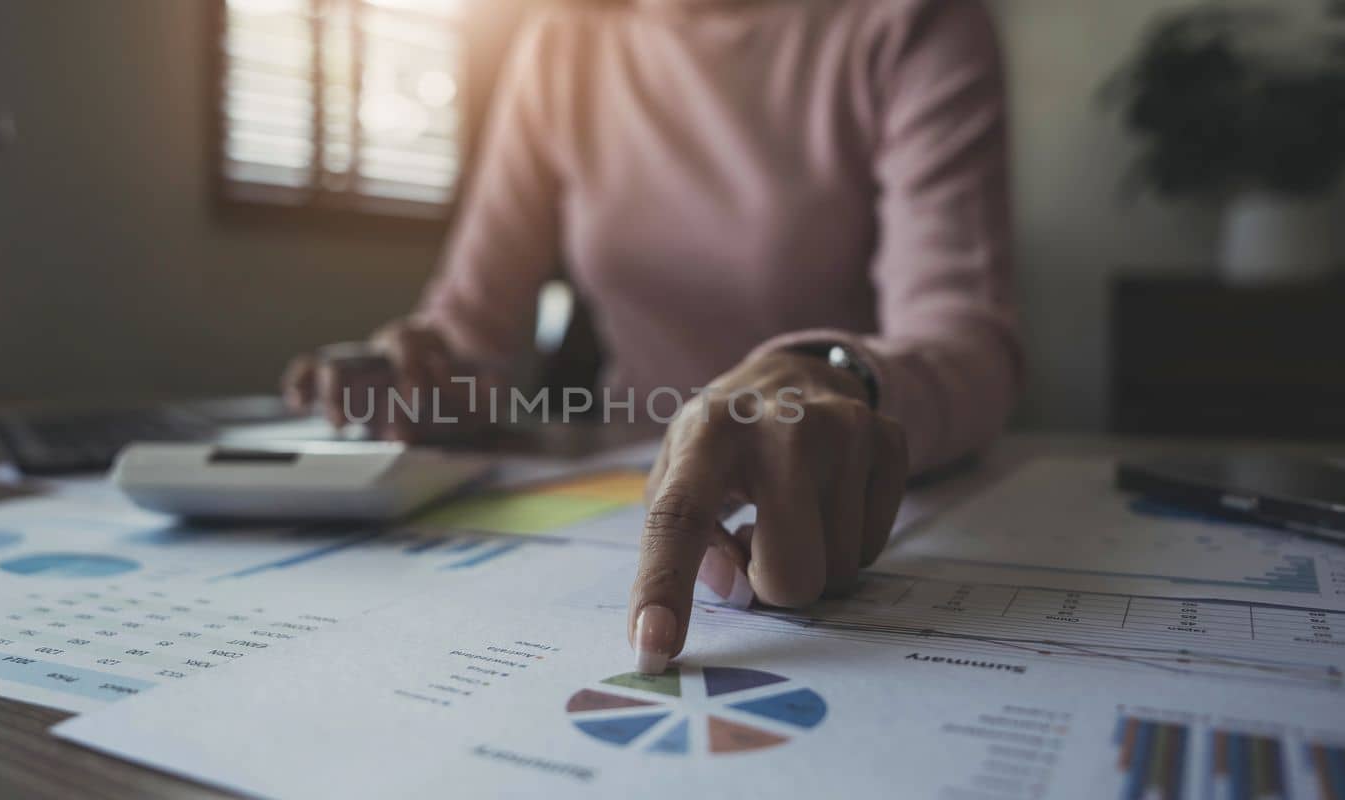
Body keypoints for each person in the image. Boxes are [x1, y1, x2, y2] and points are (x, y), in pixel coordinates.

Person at [281, 0, 1021, 674]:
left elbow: (968, 344)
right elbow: (474, 338)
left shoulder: (911, 22)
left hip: (839, 494)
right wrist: (420, 378)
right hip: (612, 491)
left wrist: (830, 371)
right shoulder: (562, 47)